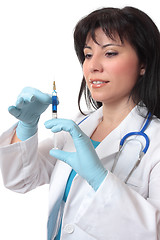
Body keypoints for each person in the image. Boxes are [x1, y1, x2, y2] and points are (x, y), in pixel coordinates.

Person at [0, 6, 160, 240]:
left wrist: (100, 179)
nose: (93, 66)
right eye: (87, 54)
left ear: (143, 63)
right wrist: (27, 126)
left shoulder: (155, 142)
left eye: (110, 53)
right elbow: (21, 180)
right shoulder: (77, 127)